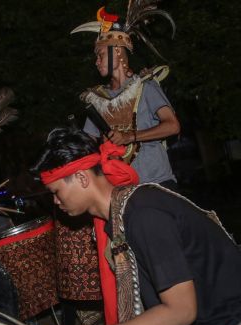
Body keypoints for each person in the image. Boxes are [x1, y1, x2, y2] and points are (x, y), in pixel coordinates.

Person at [33, 127, 241, 325]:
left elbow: (181, 311)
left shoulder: (144, 216)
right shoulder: (120, 214)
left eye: (56, 192)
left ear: (82, 178)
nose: (56, 201)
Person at [72, 5, 180, 190]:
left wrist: (129, 136)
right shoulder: (97, 98)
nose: (96, 62)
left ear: (118, 52)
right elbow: (87, 144)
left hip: (157, 182)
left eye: (101, 55)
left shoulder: (146, 86)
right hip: (121, 188)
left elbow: (172, 126)